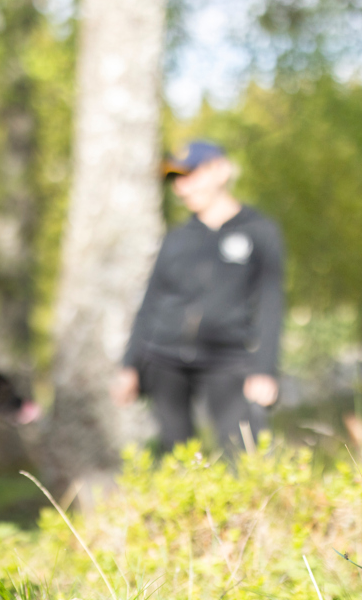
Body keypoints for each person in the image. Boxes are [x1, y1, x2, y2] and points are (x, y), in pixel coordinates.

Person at [112, 141, 285, 454]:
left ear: (221, 170)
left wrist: (264, 369)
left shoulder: (259, 231)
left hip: (228, 359)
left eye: (190, 175)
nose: (181, 187)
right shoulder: (177, 239)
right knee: (175, 455)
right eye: (176, 180)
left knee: (244, 452)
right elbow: (150, 302)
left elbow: (270, 304)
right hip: (165, 360)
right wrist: (130, 365)